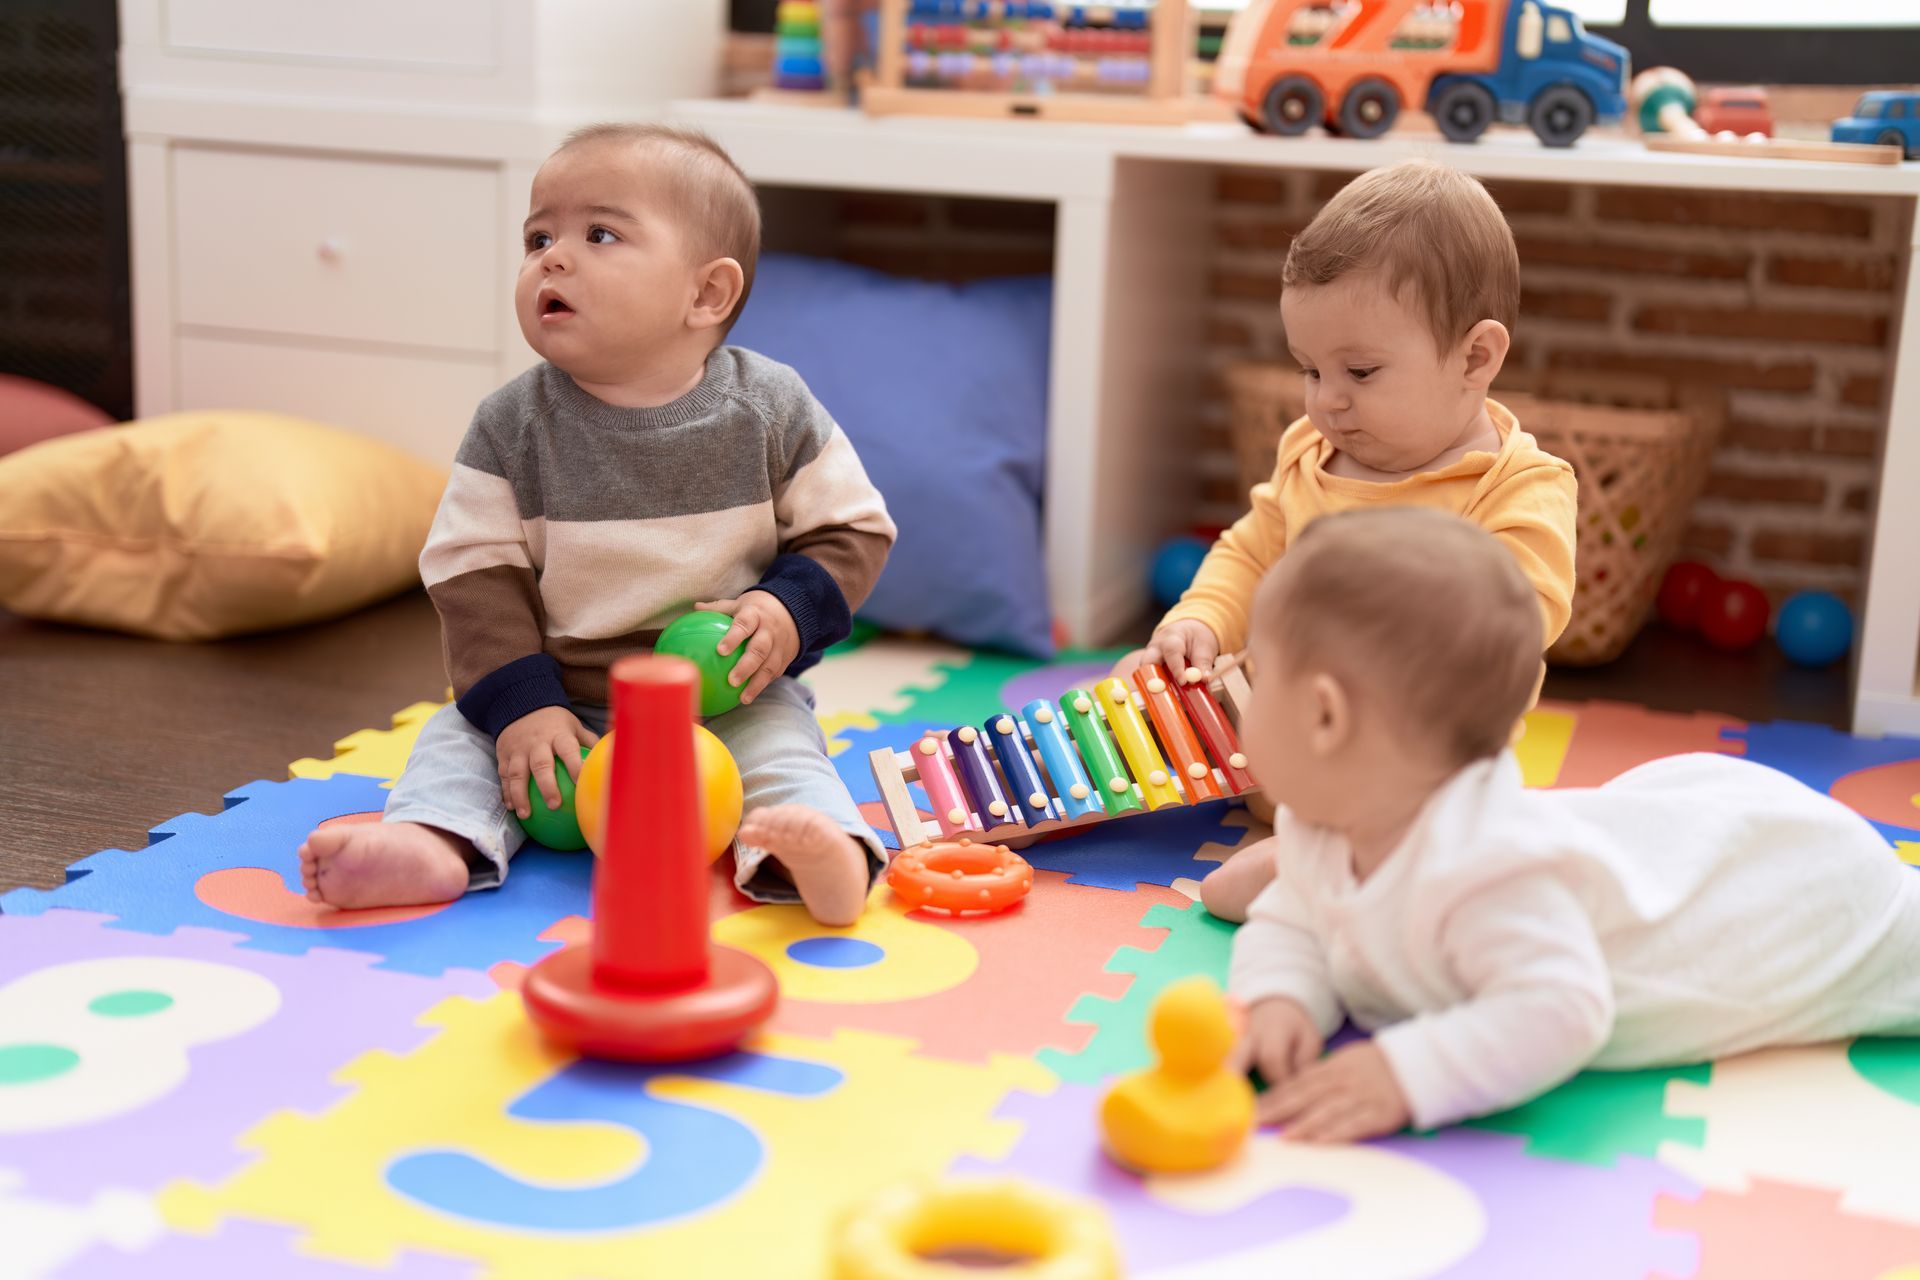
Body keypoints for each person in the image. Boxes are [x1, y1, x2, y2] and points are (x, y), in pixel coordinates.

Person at [298, 123, 895, 926]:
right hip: (562, 701)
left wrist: (786, 611)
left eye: (600, 233)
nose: (553, 256)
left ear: (706, 294)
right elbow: (474, 575)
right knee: (455, 746)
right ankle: (436, 843)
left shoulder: (771, 408)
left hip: (722, 704)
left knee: (785, 757)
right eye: (539, 235)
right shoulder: (512, 425)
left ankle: (818, 854)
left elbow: (854, 530)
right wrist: (521, 707)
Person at [1220, 508, 1920, 1142]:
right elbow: (1293, 920)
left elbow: (1560, 1011)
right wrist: (1278, 998)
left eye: (1256, 675)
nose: (1238, 701)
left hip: (1796, 899)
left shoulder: (1489, 870)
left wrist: (1407, 1074)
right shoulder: (1324, 825)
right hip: (1649, 830)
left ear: (1323, 716)